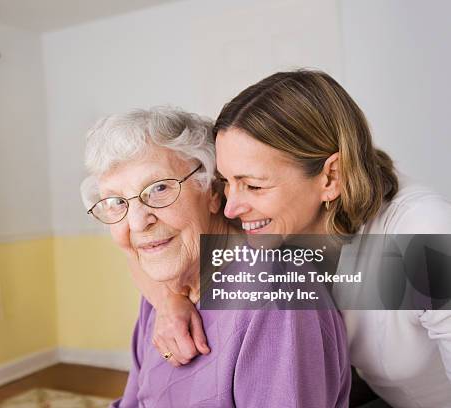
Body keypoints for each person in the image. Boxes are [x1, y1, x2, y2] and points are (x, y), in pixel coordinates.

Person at [143, 70, 451, 408]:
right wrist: (170, 299)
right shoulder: (273, 224)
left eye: (255, 185)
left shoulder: (422, 234)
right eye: (226, 182)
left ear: (331, 176)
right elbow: (143, 242)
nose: (230, 207)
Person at [80, 107, 350, 407]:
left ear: (211, 190)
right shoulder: (166, 288)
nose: (137, 223)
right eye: (116, 202)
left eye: (158, 188)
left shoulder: (275, 297)